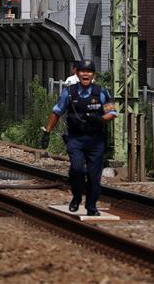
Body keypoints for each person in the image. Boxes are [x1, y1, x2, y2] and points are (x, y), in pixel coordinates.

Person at [40, 59, 117, 217]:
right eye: (82, 71)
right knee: (76, 169)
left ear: (93, 75)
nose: (86, 74)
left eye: (89, 72)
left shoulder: (101, 92)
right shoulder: (69, 92)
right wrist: (47, 132)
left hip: (96, 140)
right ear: (77, 73)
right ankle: (76, 197)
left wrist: (101, 119)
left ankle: (91, 206)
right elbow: (57, 112)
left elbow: (112, 112)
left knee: (94, 177)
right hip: (76, 139)